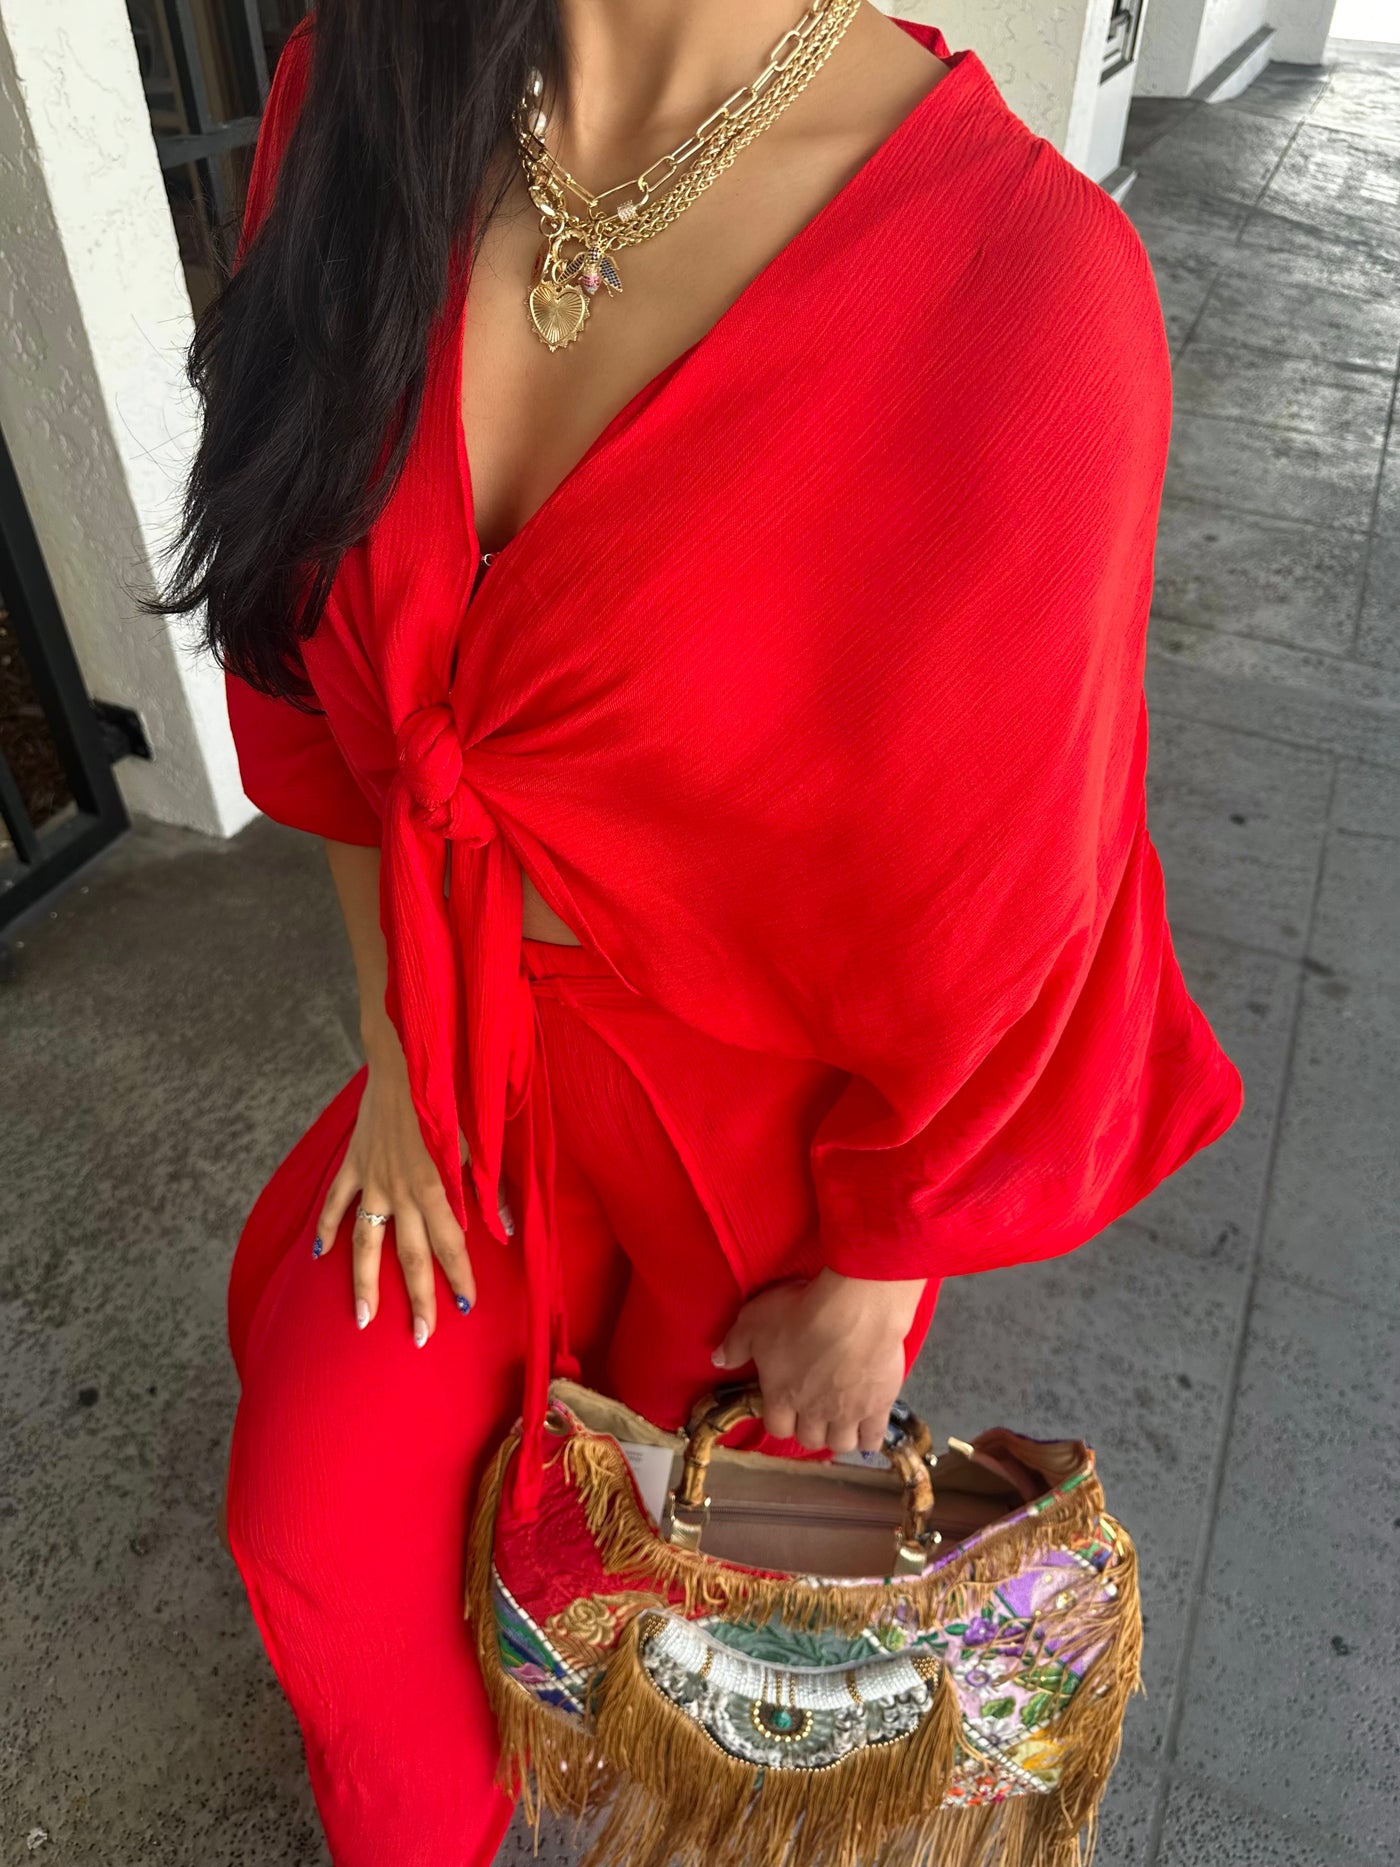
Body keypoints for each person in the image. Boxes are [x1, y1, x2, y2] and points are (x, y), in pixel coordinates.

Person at [157, 2, 1243, 1861]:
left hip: (752, 1159)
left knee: (675, 1643)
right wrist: (394, 1049)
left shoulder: (1023, 291)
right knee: (321, 1525)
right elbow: (299, 659)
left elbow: (1026, 893)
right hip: (461, 1058)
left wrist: (880, 1278)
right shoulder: (362, 89)